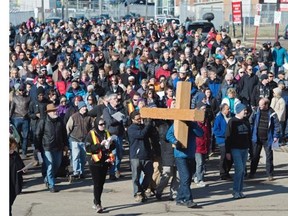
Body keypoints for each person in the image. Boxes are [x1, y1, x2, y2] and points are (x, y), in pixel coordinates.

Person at [166, 119, 204, 208]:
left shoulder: (193, 124)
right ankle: (188, 200)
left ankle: (179, 198)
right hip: (180, 155)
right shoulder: (177, 123)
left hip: (190, 154)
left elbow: (200, 133)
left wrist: (192, 125)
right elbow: (168, 135)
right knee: (185, 177)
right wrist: (175, 141)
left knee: (187, 179)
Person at [85, 117, 116, 213]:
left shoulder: (106, 133)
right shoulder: (91, 134)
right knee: (97, 183)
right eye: (101, 124)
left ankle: (96, 200)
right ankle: (98, 203)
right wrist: (100, 145)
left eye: (104, 124)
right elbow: (88, 148)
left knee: (101, 183)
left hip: (104, 160)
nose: (103, 126)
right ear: (96, 125)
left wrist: (110, 143)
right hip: (94, 161)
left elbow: (113, 146)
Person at [35, 104, 69, 192]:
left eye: (56, 110)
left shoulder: (60, 121)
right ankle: (51, 185)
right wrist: (37, 147)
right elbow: (37, 135)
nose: (55, 112)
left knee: (56, 165)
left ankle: (47, 179)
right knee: (49, 166)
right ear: (48, 112)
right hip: (47, 147)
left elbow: (64, 134)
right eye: (53, 111)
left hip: (58, 147)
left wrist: (66, 145)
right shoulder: (43, 121)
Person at [249, 98, 281, 181]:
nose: (259, 106)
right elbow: (250, 121)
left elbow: (277, 126)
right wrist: (251, 133)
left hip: (268, 139)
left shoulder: (272, 113)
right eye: (259, 105)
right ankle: (252, 173)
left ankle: (270, 174)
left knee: (269, 157)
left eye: (261, 105)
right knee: (255, 156)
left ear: (266, 105)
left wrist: (275, 136)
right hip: (256, 138)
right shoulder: (256, 111)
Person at [225, 103, 252, 199]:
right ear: (239, 111)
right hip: (235, 148)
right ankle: (235, 191)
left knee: (242, 171)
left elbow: (249, 136)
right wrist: (227, 151)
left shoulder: (246, 121)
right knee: (239, 169)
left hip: (245, 148)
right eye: (244, 110)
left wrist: (250, 150)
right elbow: (227, 137)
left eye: (246, 110)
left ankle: (240, 190)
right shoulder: (232, 121)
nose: (245, 112)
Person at [127, 110, 153, 203]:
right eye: (137, 119)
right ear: (133, 120)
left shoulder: (144, 127)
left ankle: (142, 190)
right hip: (136, 156)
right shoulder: (131, 129)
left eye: (140, 118)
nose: (139, 120)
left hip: (146, 155)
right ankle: (137, 193)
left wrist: (150, 124)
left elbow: (149, 134)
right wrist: (148, 125)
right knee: (136, 177)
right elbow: (141, 135)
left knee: (149, 174)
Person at [103, 93, 127, 180]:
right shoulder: (106, 110)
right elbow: (109, 122)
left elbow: (125, 118)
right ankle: (112, 173)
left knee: (119, 154)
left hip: (120, 134)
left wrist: (122, 119)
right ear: (110, 100)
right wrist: (118, 118)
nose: (116, 99)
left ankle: (117, 170)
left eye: (117, 98)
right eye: (114, 98)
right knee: (113, 154)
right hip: (112, 134)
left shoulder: (121, 108)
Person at [66, 101, 93, 179]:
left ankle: (82, 172)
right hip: (74, 139)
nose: (85, 108)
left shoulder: (89, 117)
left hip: (84, 140)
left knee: (83, 158)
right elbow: (68, 128)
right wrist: (66, 139)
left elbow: (92, 127)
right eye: (83, 107)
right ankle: (76, 172)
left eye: (85, 106)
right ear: (80, 108)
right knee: (75, 157)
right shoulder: (73, 117)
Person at [9, 83, 31, 159]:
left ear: (25, 89)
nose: (21, 91)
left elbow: (30, 108)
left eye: (23, 90)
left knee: (25, 136)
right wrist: (9, 118)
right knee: (16, 136)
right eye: (20, 90)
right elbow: (11, 109)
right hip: (16, 118)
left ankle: (24, 152)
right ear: (18, 90)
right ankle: (16, 150)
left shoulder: (28, 98)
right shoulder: (15, 98)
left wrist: (29, 114)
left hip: (25, 118)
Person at [213, 103, 233, 180]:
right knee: (224, 156)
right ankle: (223, 173)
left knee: (231, 157)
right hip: (222, 141)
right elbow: (215, 130)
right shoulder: (219, 118)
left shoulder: (231, 116)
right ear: (223, 110)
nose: (229, 110)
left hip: (230, 140)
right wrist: (225, 134)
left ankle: (227, 171)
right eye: (227, 109)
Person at [10, 137, 25, 216]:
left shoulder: (15, 155)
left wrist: (24, 169)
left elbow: (21, 166)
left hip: (15, 182)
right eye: (13, 145)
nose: (15, 147)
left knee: (10, 203)